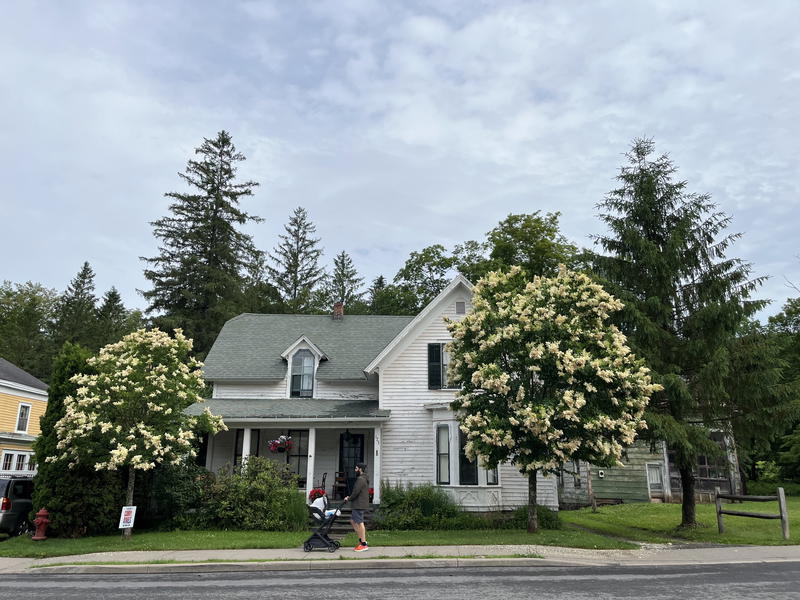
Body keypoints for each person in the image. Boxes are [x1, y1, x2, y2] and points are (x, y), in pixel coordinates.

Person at [344, 462, 370, 551]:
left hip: (359, 504)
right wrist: (350, 497)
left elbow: (356, 492)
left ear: (360, 469)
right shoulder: (363, 478)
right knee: (353, 521)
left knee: (359, 522)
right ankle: (361, 540)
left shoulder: (360, 479)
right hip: (359, 503)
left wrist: (349, 498)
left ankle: (363, 544)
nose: (355, 470)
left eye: (356, 468)